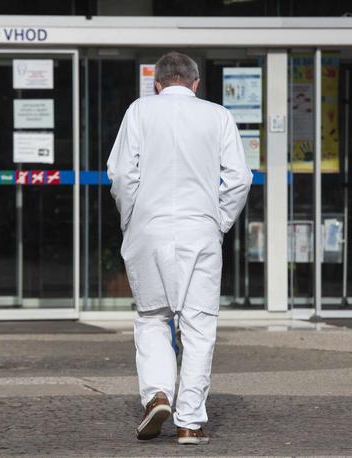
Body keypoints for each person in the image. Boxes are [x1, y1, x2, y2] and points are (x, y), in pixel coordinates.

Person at [107, 52, 252, 445]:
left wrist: (131, 218)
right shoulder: (218, 115)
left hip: (149, 228)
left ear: (156, 84)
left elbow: (121, 174)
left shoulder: (139, 111)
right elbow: (239, 179)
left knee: (153, 316)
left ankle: (157, 393)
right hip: (200, 229)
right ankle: (189, 421)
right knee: (199, 325)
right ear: (195, 83)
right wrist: (218, 221)